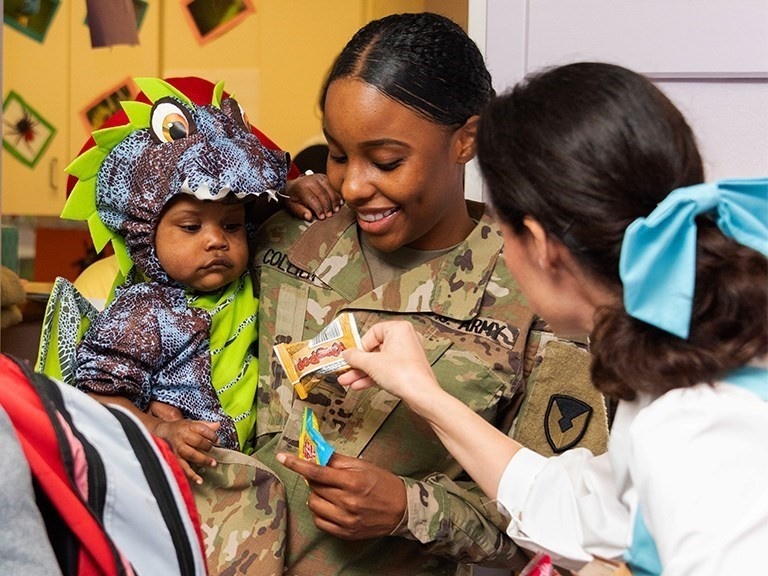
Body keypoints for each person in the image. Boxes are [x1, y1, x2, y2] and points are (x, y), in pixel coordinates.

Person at [327, 62, 768, 574]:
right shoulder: (675, 364)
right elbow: (580, 508)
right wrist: (422, 392)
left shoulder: (700, 425)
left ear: (538, 246)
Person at [246, 13, 610, 576]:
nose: (353, 186)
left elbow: (569, 526)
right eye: (338, 154)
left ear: (466, 139)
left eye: (386, 161)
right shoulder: (280, 240)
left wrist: (409, 508)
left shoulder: (535, 288)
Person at [70, 76, 339, 485]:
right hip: (185, 485)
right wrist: (159, 429)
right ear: (145, 234)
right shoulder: (145, 311)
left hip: (256, 482)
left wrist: (290, 190)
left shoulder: (245, 272)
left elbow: (255, 204)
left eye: (231, 226)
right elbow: (93, 400)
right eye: (191, 227)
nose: (217, 240)